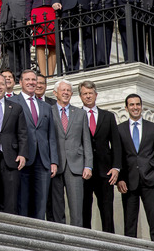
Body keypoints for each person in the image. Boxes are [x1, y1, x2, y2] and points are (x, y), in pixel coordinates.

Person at [117, 94, 154, 243]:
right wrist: (119, 179)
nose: (135, 107)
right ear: (126, 108)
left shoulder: (153, 128)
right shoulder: (119, 129)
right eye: (131, 105)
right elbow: (116, 156)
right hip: (128, 183)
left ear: (141, 106)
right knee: (129, 224)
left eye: (138, 104)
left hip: (150, 180)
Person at [15, 69, 58, 219]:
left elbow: (51, 136)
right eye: (27, 80)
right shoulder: (13, 103)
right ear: (20, 82)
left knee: (41, 203)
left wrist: (54, 161)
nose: (31, 83)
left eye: (34, 80)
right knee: (23, 201)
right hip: (23, 158)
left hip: (43, 160)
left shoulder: (46, 106)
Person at [79, 80, 121, 233]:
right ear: (80, 96)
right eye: (85, 94)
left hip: (106, 172)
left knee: (107, 210)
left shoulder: (108, 116)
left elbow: (116, 144)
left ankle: (110, 243)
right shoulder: (76, 115)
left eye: (90, 93)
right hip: (84, 170)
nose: (88, 96)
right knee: (85, 210)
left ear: (96, 95)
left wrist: (116, 168)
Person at [50, 79, 93, 227]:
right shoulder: (48, 111)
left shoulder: (80, 114)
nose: (66, 93)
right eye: (63, 90)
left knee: (76, 210)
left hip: (76, 166)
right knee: (57, 208)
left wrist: (88, 165)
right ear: (55, 93)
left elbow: (86, 141)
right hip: (55, 165)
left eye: (68, 90)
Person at [0, 73, 27, 214]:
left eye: (2, 84)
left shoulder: (16, 107)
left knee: (12, 200)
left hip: (11, 157)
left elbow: (22, 133)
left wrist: (22, 154)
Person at [26, 0, 56, 77]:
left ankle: (51, 74)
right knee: (39, 44)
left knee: (52, 44)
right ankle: (44, 75)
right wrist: (28, 17)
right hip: (36, 12)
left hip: (51, 11)